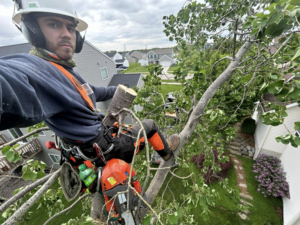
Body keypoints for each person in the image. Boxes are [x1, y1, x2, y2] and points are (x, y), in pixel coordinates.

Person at [0, 0, 179, 168]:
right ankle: (168, 157)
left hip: (86, 151)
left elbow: (90, 91)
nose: (66, 34)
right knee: (151, 126)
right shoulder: (35, 68)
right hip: (108, 148)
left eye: (70, 28)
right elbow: (8, 81)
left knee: (123, 127)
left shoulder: (63, 71)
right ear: (33, 31)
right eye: (53, 24)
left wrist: (117, 89)